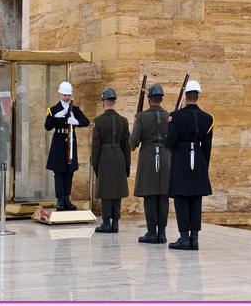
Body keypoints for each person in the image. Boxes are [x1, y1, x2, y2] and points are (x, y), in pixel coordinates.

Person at [165, 80, 213, 251]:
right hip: (199, 160)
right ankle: (195, 238)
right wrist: (203, 166)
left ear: (185, 97)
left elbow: (170, 141)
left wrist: (167, 136)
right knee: (195, 199)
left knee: (181, 198)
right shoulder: (208, 118)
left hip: (181, 159)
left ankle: (184, 237)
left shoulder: (175, 116)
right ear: (198, 97)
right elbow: (207, 147)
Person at [131, 84, 171, 243]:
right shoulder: (169, 116)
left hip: (148, 157)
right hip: (165, 157)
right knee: (163, 196)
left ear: (148, 99)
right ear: (161, 99)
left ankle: (151, 232)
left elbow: (133, 141)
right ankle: (162, 233)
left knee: (149, 197)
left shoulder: (141, 117)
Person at [91, 88, 131, 233]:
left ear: (103, 102)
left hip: (104, 156)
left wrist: (94, 164)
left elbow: (95, 145)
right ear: (114, 102)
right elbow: (127, 145)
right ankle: (115, 223)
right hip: (119, 156)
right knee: (117, 191)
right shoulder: (123, 121)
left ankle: (106, 223)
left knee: (106, 192)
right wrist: (127, 164)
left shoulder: (98, 121)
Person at [44, 81, 89, 211]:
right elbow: (47, 126)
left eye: (69, 95)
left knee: (69, 173)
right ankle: (60, 199)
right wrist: (55, 117)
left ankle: (67, 198)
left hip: (70, 142)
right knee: (58, 173)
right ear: (59, 94)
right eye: (64, 95)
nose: (67, 97)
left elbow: (85, 121)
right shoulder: (53, 109)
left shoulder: (74, 109)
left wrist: (76, 121)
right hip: (58, 143)